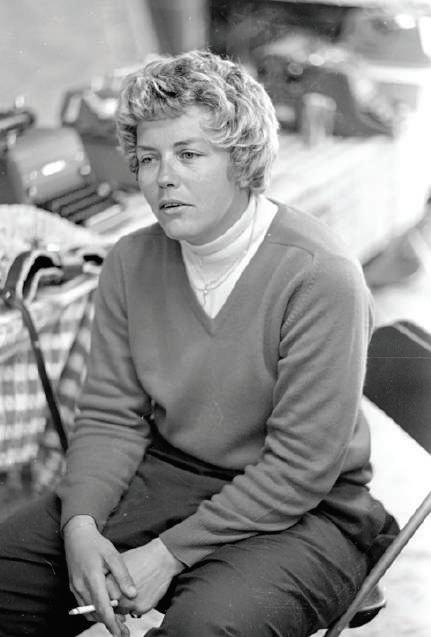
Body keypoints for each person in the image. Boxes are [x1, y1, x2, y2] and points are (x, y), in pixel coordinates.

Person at [0, 50, 398, 637]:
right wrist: (80, 524)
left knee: (206, 627)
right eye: (147, 158)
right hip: (170, 472)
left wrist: (167, 554)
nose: (163, 177)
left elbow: (299, 467)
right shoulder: (128, 261)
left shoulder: (320, 276)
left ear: (242, 159)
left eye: (189, 154)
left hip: (310, 509)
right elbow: (111, 417)